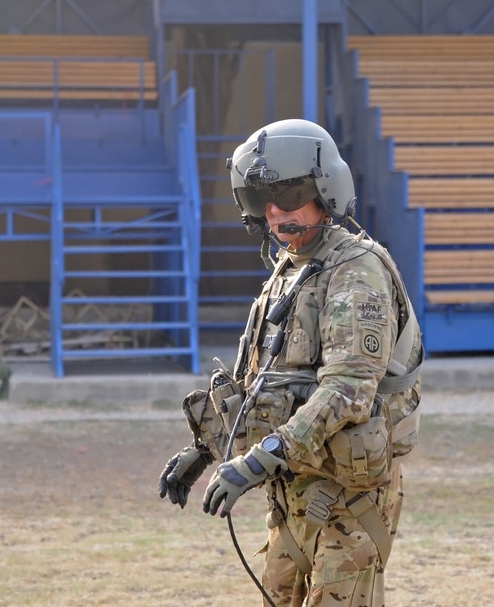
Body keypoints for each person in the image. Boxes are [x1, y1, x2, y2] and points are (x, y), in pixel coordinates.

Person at [158, 119, 423, 607]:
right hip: (291, 486)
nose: (277, 212)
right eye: (262, 200)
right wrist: (206, 449)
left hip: (348, 496)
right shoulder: (291, 269)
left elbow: (348, 389)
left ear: (326, 191)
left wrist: (257, 459)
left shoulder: (356, 270)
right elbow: (260, 380)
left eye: (290, 193)